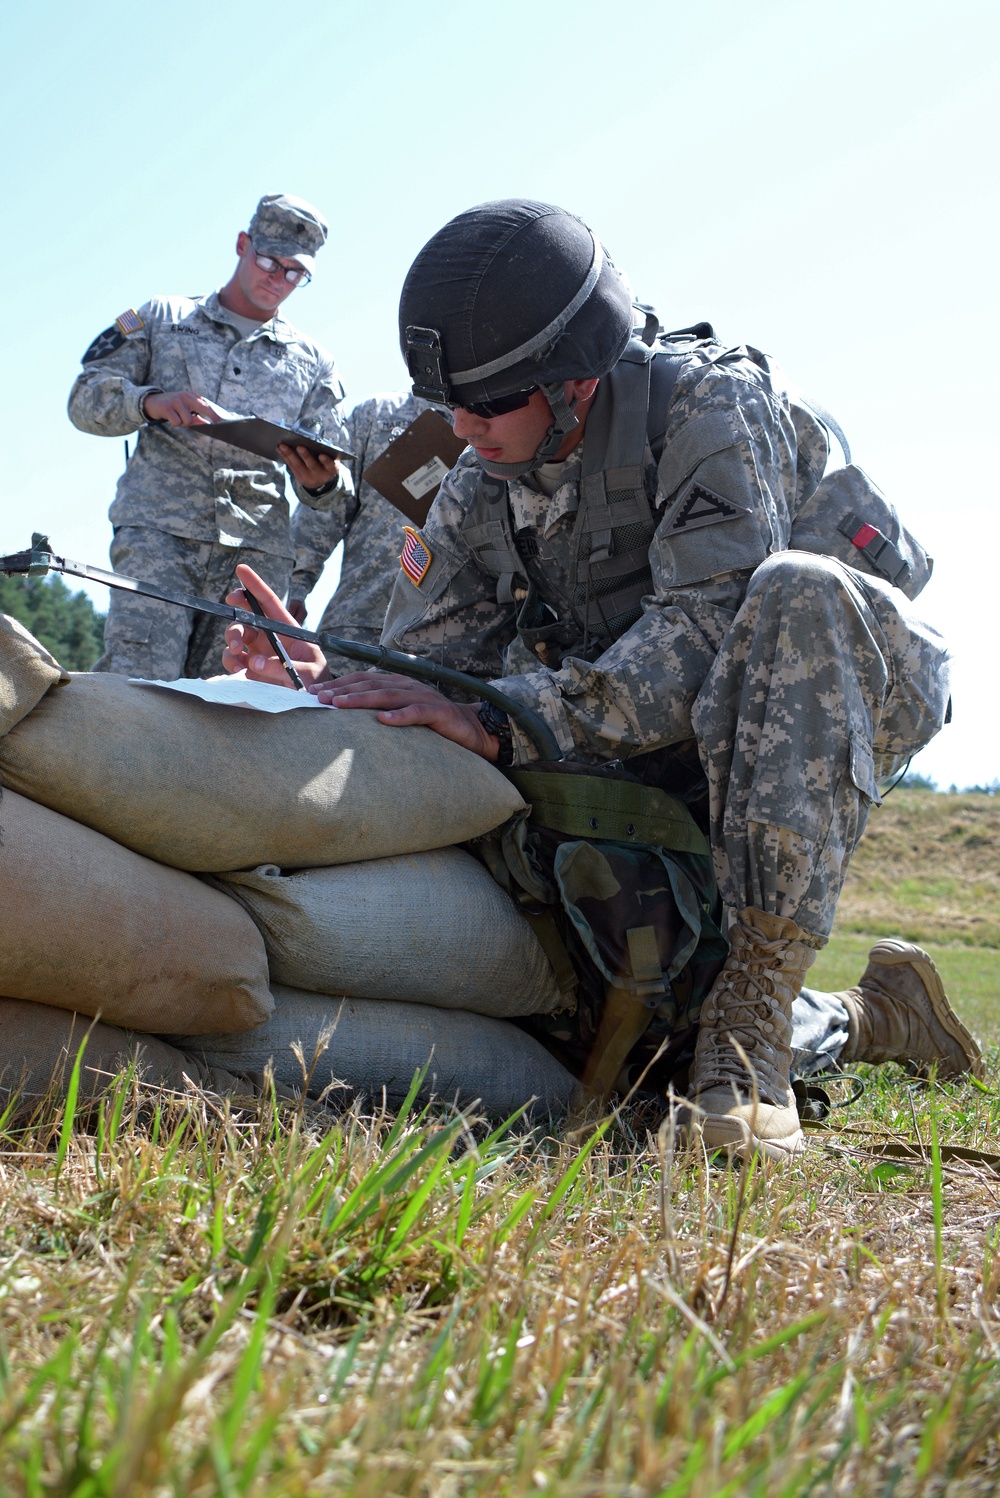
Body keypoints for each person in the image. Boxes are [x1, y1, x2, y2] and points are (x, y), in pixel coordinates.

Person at [223, 200, 980, 1158]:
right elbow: (435, 674)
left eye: (490, 404)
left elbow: (710, 626)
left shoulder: (708, 403)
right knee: (641, 1031)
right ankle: (877, 1015)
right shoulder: (471, 471)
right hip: (649, 742)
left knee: (795, 591)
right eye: (449, 403)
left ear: (573, 380)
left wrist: (506, 723)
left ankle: (750, 1045)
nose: (461, 427)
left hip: (826, 693)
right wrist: (324, 677)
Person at [67, 193, 350, 679]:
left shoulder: (314, 362)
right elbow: (84, 398)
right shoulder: (162, 318)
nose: (278, 279)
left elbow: (335, 479)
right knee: (138, 687)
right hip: (160, 536)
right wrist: (150, 403)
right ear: (242, 245)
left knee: (226, 707)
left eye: (294, 273)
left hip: (255, 554)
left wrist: (320, 482)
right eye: (269, 261)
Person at [286, 392, 452, 674]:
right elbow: (326, 511)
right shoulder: (377, 415)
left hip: (461, 639)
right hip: (361, 627)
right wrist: (294, 589)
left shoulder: (507, 422)